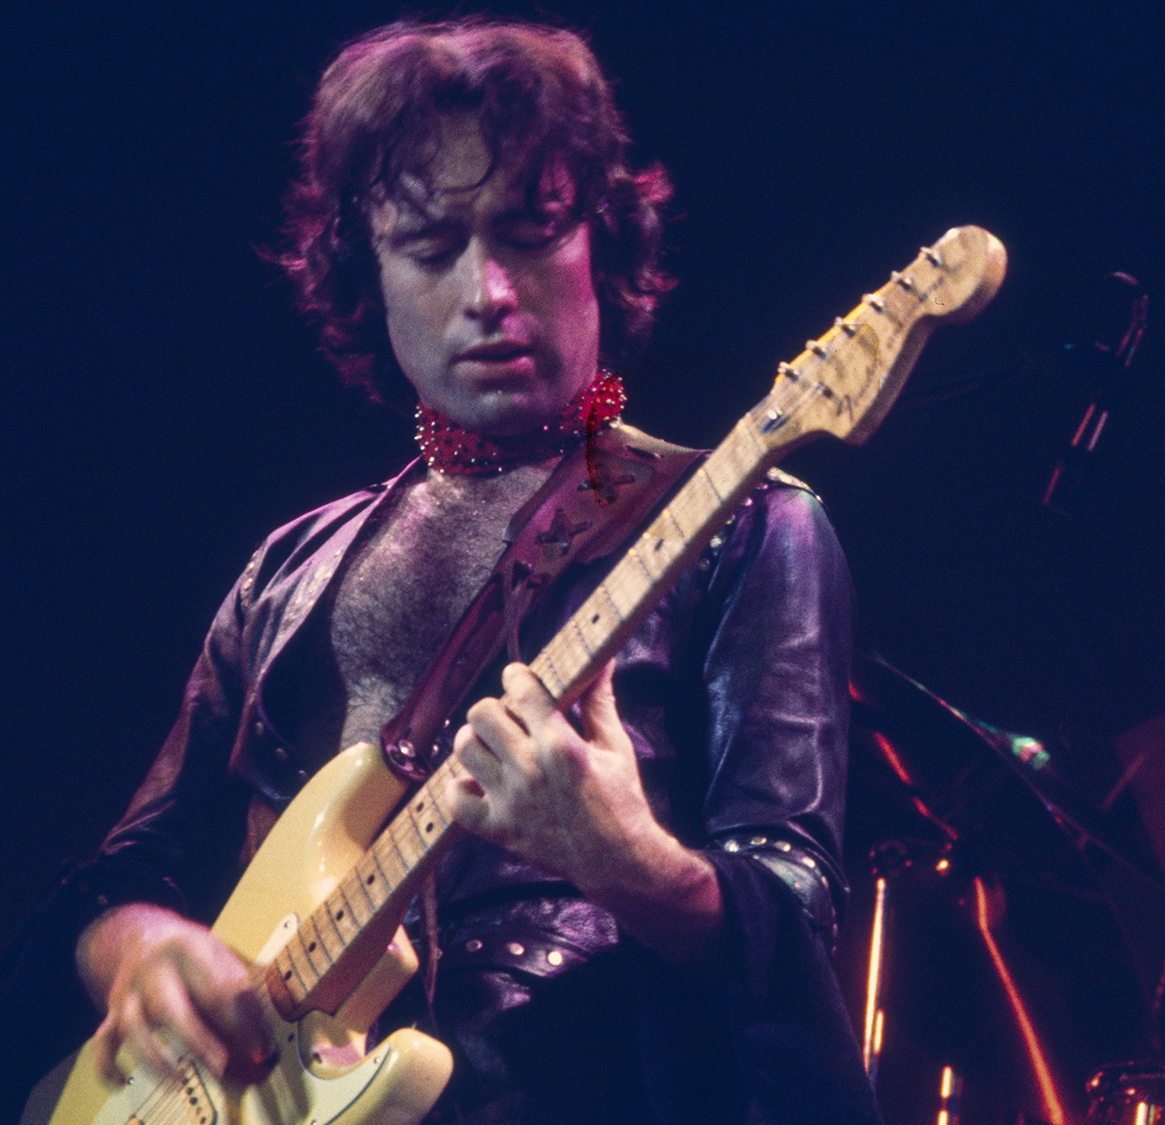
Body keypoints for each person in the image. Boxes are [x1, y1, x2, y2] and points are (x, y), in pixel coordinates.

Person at [4, 18, 878, 1125]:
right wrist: (133, 946)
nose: (489, 291)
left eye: (531, 233)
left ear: (599, 245)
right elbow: (128, 868)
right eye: (429, 248)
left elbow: (796, 915)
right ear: (365, 277)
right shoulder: (288, 570)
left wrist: (627, 864)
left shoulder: (745, 521)